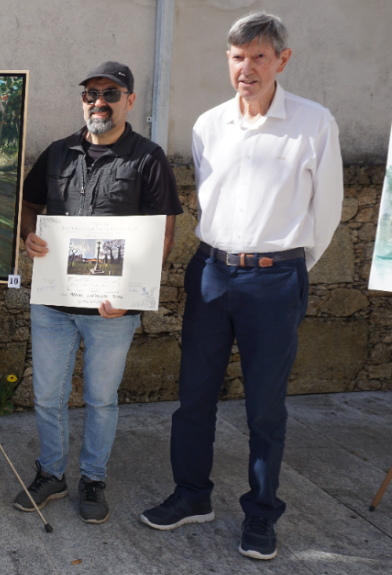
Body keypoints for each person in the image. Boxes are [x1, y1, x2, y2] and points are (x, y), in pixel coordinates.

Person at [140, 13, 343, 560]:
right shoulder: (208, 125)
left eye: (258, 56)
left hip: (275, 279)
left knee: (265, 408)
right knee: (194, 396)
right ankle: (191, 495)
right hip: (211, 272)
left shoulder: (314, 123)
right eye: (237, 57)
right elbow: (210, 197)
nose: (246, 68)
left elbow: (325, 215)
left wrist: (285, 269)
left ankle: (261, 513)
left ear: (282, 59)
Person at [15, 62, 182, 524]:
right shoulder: (57, 153)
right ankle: (51, 474)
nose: (99, 102)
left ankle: (93, 479)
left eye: (110, 93)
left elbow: (162, 233)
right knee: (47, 396)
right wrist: (29, 237)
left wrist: (135, 295)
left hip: (113, 309)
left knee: (100, 399)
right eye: (90, 94)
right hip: (53, 303)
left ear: (129, 100)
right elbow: (28, 205)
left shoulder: (148, 158)